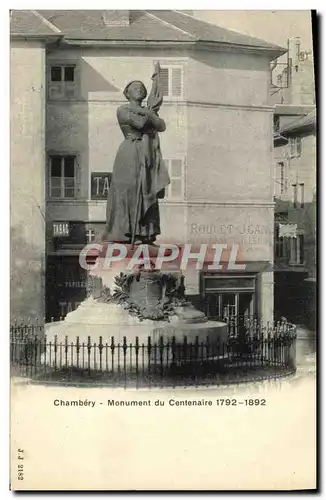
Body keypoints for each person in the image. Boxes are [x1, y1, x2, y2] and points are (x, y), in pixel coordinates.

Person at [102, 79, 170, 245]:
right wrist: (150, 113)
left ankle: (145, 233)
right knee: (129, 190)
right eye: (135, 88)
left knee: (147, 190)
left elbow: (161, 125)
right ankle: (125, 232)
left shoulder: (145, 111)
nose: (139, 89)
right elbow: (139, 123)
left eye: (142, 88)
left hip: (147, 153)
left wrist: (150, 114)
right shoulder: (123, 109)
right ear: (127, 93)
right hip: (130, 152)